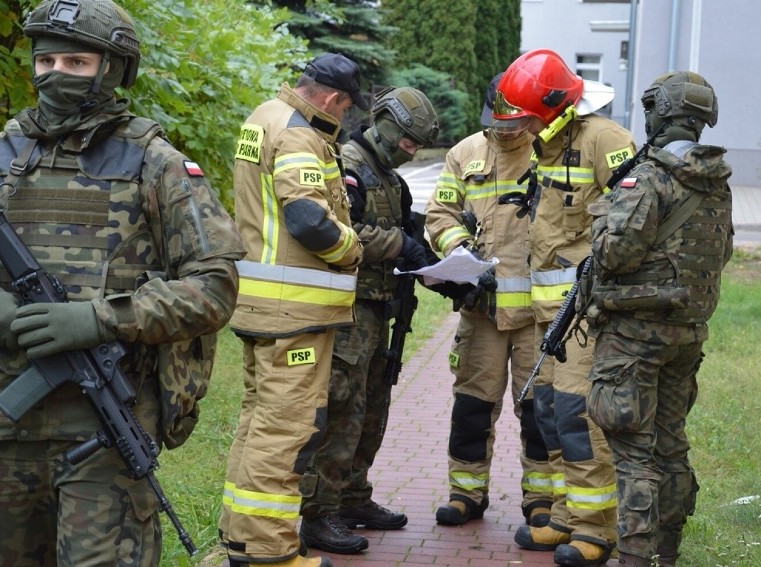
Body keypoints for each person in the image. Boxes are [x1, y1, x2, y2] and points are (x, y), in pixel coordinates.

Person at [0, 0, 244, 565]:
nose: (57, 74)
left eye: (77, 62)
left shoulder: (156, 165)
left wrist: (97, 318)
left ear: (113, 70)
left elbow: (214, 286)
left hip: (105, 428)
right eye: (48, 61)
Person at [219, 52, 366, 567]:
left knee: (259, 421)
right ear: (330, 98)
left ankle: (240, 537)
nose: (343, 118)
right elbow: (308, 218)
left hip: (262, 307)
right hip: (294, 315)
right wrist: (353, 248)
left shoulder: (262, 118)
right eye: (345, 107)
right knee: (286, 430)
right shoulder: (300, 134)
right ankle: (268, 552)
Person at [494, 49, 636, 567]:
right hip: (545, 313)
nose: (521, 124)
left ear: (550, 108)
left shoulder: (607, 141)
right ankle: (563, 515)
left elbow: (632, 225)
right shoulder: (545, 145)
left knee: (578, 417)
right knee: (549, 414)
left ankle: (597, 531)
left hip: (585, 316)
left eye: (527, 114)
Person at [586, 72, 731, 567]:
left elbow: (614, 253)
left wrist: (603, 214)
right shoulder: (717, 181)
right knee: (672, 447)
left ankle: (633, 556)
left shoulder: (646, 176)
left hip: (633, 336)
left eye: (650, 108)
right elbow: (722, 251)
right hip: (687, 335)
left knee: (633, 452)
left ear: (662, 112)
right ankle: (666, 553)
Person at [298, 86, 440, 554]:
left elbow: (397, 225)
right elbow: (344, 230)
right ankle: (319, 514)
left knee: (373, 407)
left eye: (417, 145)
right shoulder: (350, 165)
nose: (411, 151)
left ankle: (354, 496)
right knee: (343, 409)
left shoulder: (389, 177)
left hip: (382, 310)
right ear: (385, 124)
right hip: (351, 310)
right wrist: (400, 243)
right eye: (407, 142)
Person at [424, 73, 554, 529]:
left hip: (538, 316)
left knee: (540, 411)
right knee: (472, 408)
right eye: (496, 123)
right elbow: (439, 215)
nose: (504, 132)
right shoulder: (465, 153)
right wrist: (461, 253)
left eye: (514, 124)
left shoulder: (552, 153)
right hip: (482, 311)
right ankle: (466, 492)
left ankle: (542, 500)